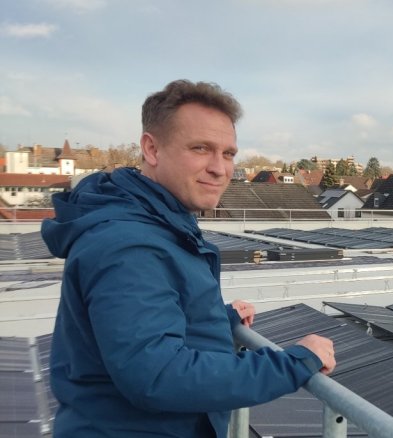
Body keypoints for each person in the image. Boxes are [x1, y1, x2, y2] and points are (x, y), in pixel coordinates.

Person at [41, 79, 336, 437]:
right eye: (201, 148)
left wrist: (213, 320)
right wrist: (294, 362)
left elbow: (141, 320)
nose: (220, 168)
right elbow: (158, 375)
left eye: (228, 154)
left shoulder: (153, 222)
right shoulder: (129, 245)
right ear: (151, 149)